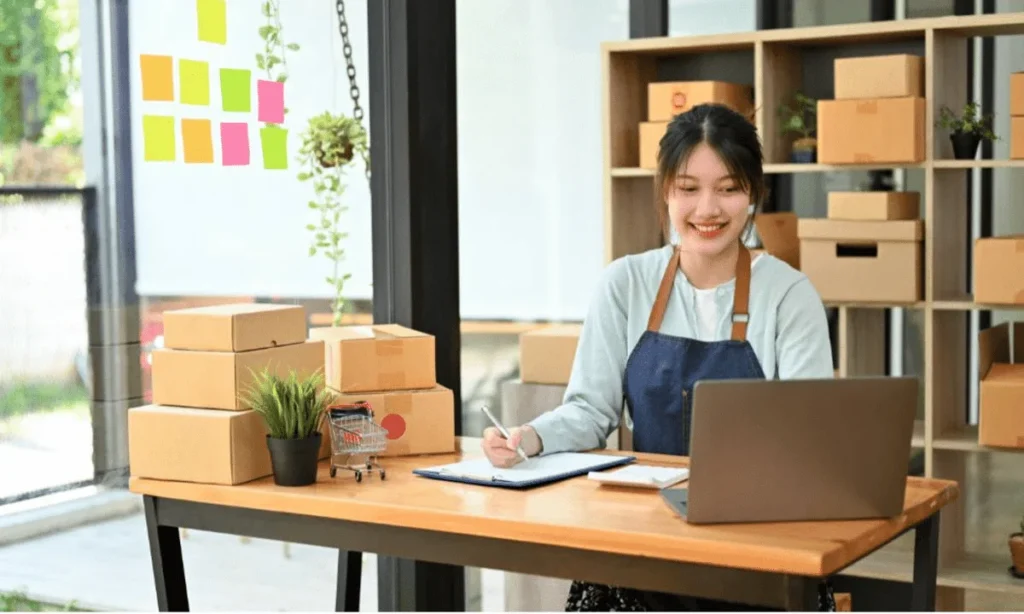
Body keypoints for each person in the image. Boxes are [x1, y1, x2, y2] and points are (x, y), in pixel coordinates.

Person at [482, 103, 837, 612]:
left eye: (729, 188)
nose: (707, 209)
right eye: (689, 189)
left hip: (758, 547)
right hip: (644, 546)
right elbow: (590, 411)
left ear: (754, 193)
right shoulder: (624, 284)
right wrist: (528, 438)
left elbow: (811, 434)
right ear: (666, 191)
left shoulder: (789, 295)